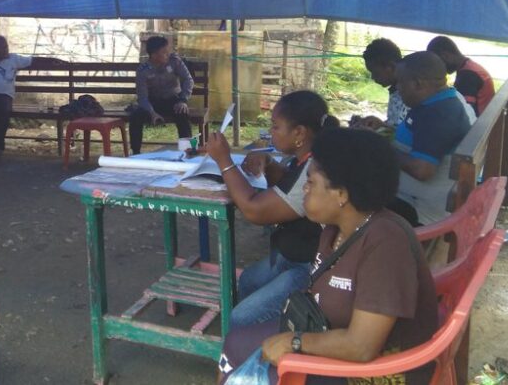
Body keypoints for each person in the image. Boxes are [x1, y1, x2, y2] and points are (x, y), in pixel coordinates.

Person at [218, 128, 437, 385]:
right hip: (327, 332)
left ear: (341, 194)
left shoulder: (385, 243)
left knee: (255, 375)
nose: (305, 189)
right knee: (234, 344)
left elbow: (362, 347)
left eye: (310, 182)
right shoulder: (335, 229)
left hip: (376, 372)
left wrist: (295, 341)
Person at [207, 90, 338, 328]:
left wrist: (224, 161)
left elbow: (255, 210)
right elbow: (288, 186)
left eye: (276, 127)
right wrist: (269, 164)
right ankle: (261, 334)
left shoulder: (314, 168)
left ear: (299, 133)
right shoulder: (303, 158)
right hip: (291, 253)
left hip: (310, 266)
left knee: (241, 317)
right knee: (248, 281)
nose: (271, 132)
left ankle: (267, 339)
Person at [393, 51, 472, 226]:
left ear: (418, 83)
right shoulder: (441, 102)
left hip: (416, 210)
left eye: (400, 81)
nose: (397, 87)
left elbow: (422, 170)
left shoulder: (438, 115)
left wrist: (382, 148)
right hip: (416, 197)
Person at [0, 35, 65, 161]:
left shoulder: (14, 59)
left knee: (5, 112)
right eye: (2, 48)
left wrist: (52, 60)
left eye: (6, 47)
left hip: (4, 95)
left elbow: (33, 60)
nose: (6, 50)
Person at [130, 36, 194, 155]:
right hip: (153, 102)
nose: (167, 54)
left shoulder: (175, 61)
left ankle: (188, 151)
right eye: (164, 52)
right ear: (154, 55)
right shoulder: (143, 70)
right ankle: (136, 152)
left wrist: (183, 100)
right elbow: (142, 97)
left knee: (182, 113)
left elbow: (188, 80)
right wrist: (152, 113)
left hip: (173, 100)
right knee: (135, 116)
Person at [427, 35, 495, 116]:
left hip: (479, 121)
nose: (440, 68)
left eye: (439, 63)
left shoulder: (468, 75)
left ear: (446, 56)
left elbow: (464, 112)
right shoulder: (469, 67)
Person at [352, 38, 407, 131]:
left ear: (391, 67)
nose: (373, 77)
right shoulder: (395, 91)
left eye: (375, 73)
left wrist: (379, 128)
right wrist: (380, 124)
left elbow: (403, 133)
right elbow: (394, 125)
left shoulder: (408, 95)